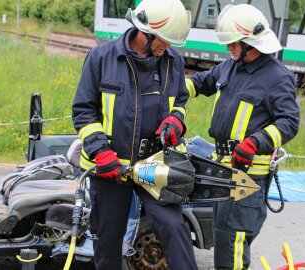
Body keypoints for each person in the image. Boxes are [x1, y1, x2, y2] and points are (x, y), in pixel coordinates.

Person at [71, 0, 197, 269]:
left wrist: (176, 120)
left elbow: (180, 102)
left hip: (155, 166)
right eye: (163, 39)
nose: (167, 46)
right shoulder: (102, 58)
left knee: (174, 227)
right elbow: (83, 111)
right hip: (111, 168)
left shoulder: (173, 61)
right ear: (145, 30)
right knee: (108, 239)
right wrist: (99, 152)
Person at [185, 4, 300, 269]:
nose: (229, 49)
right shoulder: (231, 66)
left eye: (233, 44)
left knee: (232, 243)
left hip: (247, 174)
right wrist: (169, 92)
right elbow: (201, 82)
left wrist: (255, 143)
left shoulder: (277, 77)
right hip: (222, 169)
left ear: (251, 42)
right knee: (225, 238)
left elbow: (289, 122)